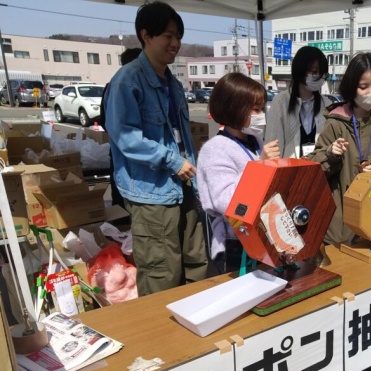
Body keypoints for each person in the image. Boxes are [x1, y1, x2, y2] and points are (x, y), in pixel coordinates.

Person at [103, 1, 208, 296]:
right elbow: (125, 137)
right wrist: (172, 160)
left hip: (184, 187)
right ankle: (165, 338)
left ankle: (197, 328)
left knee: (196, 262)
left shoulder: (172, 83)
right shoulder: (128, 80)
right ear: (146, 36)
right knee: (162, 271)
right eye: (168, 36)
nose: (175, 43)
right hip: (151, 194)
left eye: (178, 36)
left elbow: (181, 136)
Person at [308, 52, 371, 245]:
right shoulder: (336, 123)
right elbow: (314, 168)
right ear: (352, 87)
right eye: (363, 87)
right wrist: (330, 154)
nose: (370, 92)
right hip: (339, 223)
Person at [197, 73, 280, 274]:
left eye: (262, 108)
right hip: (234, 242)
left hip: (260, 234)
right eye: (256, 109)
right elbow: (226, 201)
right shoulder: (215, 149)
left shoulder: (254, 141)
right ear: (235, 108)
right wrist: (261, 166)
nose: (262, 114)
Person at [266, 46, 329, 158]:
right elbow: (273, 146)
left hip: (319, 172)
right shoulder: (281, 102)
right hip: (289, 171)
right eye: (314, 71)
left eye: (322, 72)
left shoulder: (327, 104)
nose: (319, 76)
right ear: (300, 70)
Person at [99, 47, 142, 209]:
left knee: (119, 187)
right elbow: (109, 123)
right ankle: (121, 221)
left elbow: (104, 120)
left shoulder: (112, 86)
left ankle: (120, 219)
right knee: (123, 189)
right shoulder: (120, 87)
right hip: (127, 155)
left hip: (119, 152)